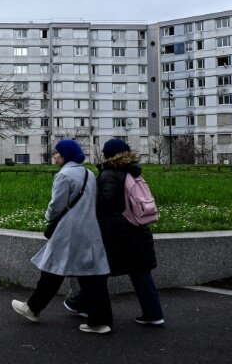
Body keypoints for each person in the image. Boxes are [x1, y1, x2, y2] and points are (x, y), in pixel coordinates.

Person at [11, 140, 113, 334]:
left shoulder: (64, 175)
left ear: (66, 155)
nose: (55, 156)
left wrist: (48, 218)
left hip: (68, 231)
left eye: (57, 153)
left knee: (52, 270)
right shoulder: (89, 174)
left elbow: (56, 205)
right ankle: (100, 320)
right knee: (90, 276)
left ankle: (32, 308)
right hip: (89, 230)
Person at [63, 139, 165, 326]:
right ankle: (154, 313)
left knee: (98, 271)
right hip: (138, 227)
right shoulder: (133, 171)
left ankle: (81, 304)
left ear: (108, 154)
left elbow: (105, 203)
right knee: (141, 272)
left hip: (117, 233)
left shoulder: (110, 173)